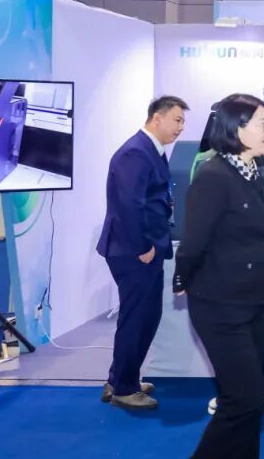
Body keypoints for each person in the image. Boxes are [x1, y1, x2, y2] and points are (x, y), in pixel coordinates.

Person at [174, 94, 264, 458]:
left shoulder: (250, 173)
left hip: (253, 302)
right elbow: (193, 242)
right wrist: (183, 278)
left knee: (252, 403)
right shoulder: (213, 176)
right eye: (262, 124)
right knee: (242, 400)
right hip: (221, 306)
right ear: (238, 129)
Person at [192, 108, 264, 416]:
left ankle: (237, 393)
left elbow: (198, 211)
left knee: (236, 330)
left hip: (230, 265)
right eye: (263, 124)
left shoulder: (206, 161)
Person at [96, 95, 188, 410]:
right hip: (134, 250)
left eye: (183, 122)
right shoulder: (136, 152)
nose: (180, 127)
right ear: (157, 118)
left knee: (143, 315)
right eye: (177, 120)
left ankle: (120, 379)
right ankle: (124, 387)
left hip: (144, 246)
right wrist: (142, 247)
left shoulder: (152, 150)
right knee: (138, 317)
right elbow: (128, 204)